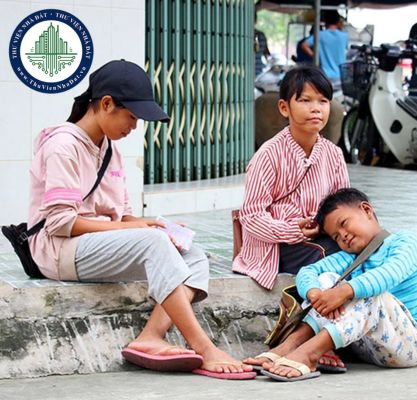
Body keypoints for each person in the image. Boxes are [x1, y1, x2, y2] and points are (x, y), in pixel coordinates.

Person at [27, 60, 255, 380]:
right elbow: (60, 223)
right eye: (131, 116)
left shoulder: (110, 149)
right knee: (152, 242)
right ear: (106, 104)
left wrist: (157, 225)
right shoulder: (63, 146)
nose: (134, 126)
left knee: (194, 257)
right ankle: (204, 347)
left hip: (95, 245)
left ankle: (150, 336)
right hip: (57, 251)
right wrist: (132, 228)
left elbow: (123, 217)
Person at [247, 188, 417, 381]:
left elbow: (389, 274)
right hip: (363, 346)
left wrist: (344, 292)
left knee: (370, 292)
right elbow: (308, 272)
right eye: (336, 237)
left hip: (408, 345)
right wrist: (315, 294)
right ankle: (291, 345)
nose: (343, 236)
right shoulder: (352, 257)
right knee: (325, 279)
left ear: (366, 210)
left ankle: (309, 354)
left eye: (344, 224)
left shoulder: (406, 241)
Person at [233, 65, 349, 291]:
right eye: (305, 100)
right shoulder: (267, 155)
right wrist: (292, 230)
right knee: (334, 259)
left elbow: (343, 205)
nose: (316, 109)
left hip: (321, 237)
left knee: (369, 249)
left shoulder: (333, 154)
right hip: (278, 246)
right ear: (284, 108)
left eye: (323, 101)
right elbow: (252, 216)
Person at [300, 10, 348, 85]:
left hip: (325, 75)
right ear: (338, 21)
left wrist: (315, 56)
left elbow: (304, 45)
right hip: (340, 76)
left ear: (325, 21)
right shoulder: (344, 36)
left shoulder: (320, 35)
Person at [254, 12, 271, 76]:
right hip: (258, 69)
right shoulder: (261, 35)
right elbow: (266, 53)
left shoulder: (242, 35)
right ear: (256, 21)